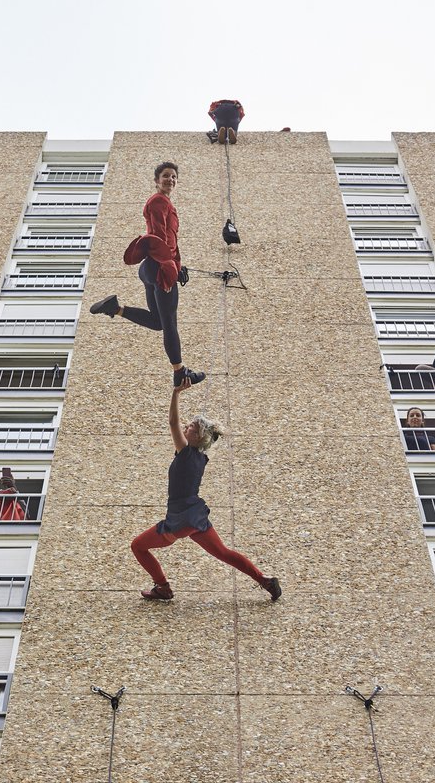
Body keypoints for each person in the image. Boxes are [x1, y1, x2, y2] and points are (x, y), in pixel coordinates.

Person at [130, 381, 281, 601]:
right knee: (223, 553)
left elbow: (173, 422)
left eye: (190, 427)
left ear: (197, 438)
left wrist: (176, 392)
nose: (186, 426)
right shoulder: (200, 458)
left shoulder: (186, 454)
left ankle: (162, 587)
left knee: (138, 546)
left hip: (180, 519)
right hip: (196, 517)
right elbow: (179, 425)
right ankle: (265, 580)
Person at [89, 162, 206, 389]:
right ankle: (180, 372)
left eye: (173, 177)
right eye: (165, 176)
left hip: (153, 266)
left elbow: (167, 240)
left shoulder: (163, 202)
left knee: (158, 322)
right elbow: (162, 238)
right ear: (156, 180)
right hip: (158, 265)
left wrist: (176, 264)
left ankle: (115, 308)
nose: (170, 180)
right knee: (170, 323)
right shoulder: (159, 201)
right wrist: (170, 267)